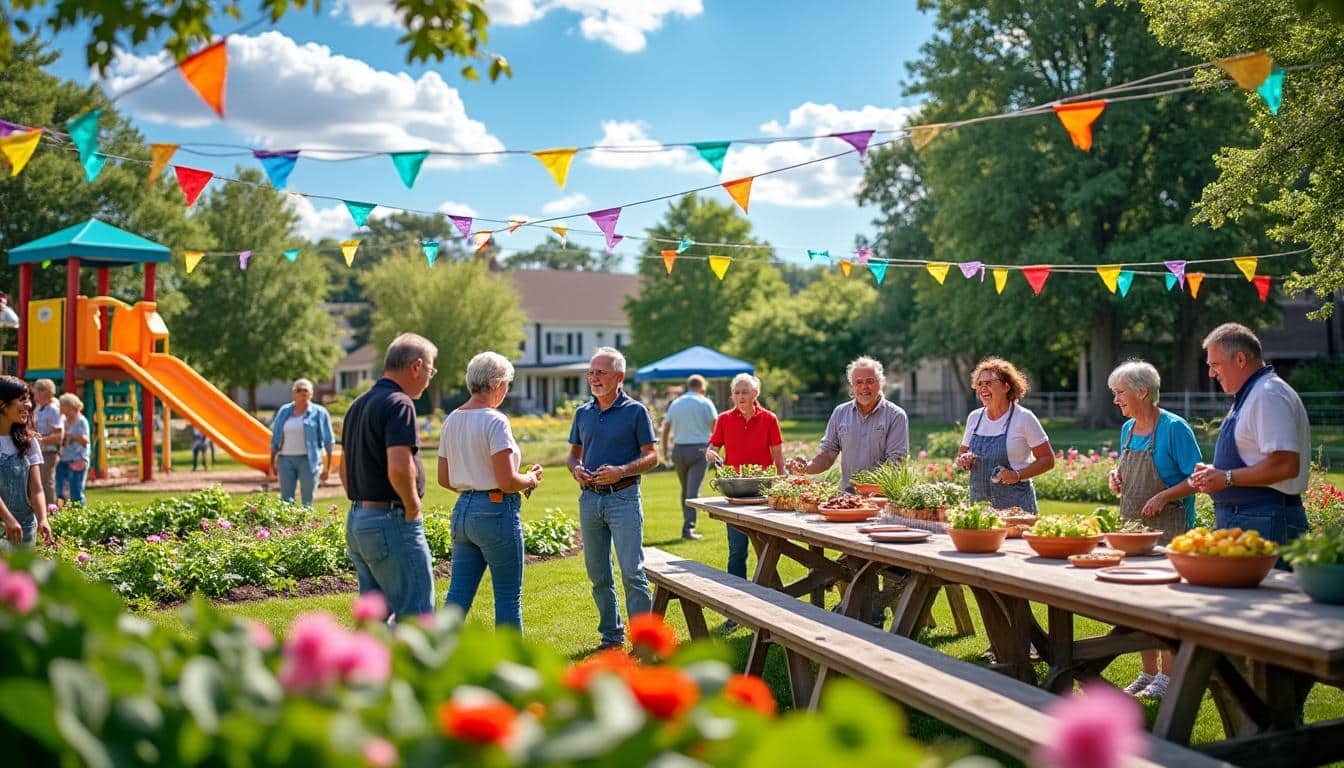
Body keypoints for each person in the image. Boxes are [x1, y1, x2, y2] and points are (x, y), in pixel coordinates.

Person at [1106, 360, 1202, 700]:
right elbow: (1123, 468)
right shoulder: (1128, 429)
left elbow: (1198, 477)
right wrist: (1114, 476)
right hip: (1132, 528)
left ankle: (1168, 677)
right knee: (1138, 604)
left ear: (1142, 392)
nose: (1116, 399)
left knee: (1165, 606)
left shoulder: (1175, 428)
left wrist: (1164, 495)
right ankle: (1148, 672)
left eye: (1120, 392)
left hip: (1170, 529)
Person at [437, 352, 542, 630]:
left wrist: (473, 483)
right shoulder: (496, 421)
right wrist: (530, 479)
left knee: (457, 597)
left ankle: (434, 652)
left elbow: (444, 479)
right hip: (496, 510)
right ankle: (508, 658)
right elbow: (507, 481)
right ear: (496, 384)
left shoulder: (451, 419)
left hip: (463, 510)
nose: (506, 390)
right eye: (507, 384)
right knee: (508, 598)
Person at [341, 333, 438, 621]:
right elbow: (399, 465)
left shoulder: (358, 404)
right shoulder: (399, 403)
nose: (429, 379)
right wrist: (412, 506)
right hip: (391, 519)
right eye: (431, 370)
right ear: (416, 366)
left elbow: (343, 468)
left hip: (359, 519)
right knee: (417, 618)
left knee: (374, 621)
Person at [567, 346, 658, 650]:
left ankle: (644, 644)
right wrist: (576, 469)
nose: (594, 378)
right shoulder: (583, 413)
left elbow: (652, 456)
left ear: (619, 377)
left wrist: (621, 471)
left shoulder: (636, 411)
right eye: (591, 373)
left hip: (623, 499)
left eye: (601, 373)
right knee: (598, 575)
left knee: (633, 573)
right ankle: (611, 636)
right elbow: (573, 456)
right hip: (590, 500)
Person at [1190, 323, 1311, 549]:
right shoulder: (1252, 393)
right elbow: (1253, 457)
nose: (1211, 373)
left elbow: (1285, 465)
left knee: (1271, 574)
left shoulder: (1268, 394)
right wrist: (1215, 473)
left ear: (1240, 359)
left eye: (1215, 365)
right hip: (1252, 519)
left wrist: (1226, 477)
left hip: (1266, 520)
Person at [787, 356, 909, 491]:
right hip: (847, 497)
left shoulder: (896, 415)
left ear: (880, 383)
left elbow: (895, 463)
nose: (864, 387)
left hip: (881, 497)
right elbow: (827, 455)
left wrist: (866, 489)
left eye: (870, 381)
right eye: (858, 382)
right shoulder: (840, 413)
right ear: (852, 387)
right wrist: (805, 468)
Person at [953, 358, 1054, 514]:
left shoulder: (1024, 417)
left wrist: (1017, 475)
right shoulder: (974, 418)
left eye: (989, 383)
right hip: (980, 510)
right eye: (979, 383)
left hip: (1017, 509)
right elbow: (962, 454)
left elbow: (1047, 460)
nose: (983, 387)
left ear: (1006, 386)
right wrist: (964, 461)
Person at [708, 372, 784, 579]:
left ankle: (769, 592)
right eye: (736, 392)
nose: (740, 396)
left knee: (767, 551)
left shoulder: (769, 419)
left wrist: (780, 486)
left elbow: (778, 456)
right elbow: (713, 447)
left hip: (763, 491)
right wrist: (711, 453)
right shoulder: (724, 419)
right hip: (735, 493)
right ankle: (735, 593)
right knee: (737, 551)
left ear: (755, 393)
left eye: (745, 392)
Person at [661, 374, 718, 540]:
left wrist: (665, 450)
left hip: (679, 451)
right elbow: (716, 427)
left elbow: (666, 428)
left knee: (686, 490)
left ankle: (688, 525)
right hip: (699, 451)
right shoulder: (705, 402)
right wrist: (717, 450)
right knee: (692, 491)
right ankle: (688, 529)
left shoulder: (676, 403)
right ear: (702, 387)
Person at [0, 376, 52, 549]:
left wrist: (42, 518)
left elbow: (36, 488)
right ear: (2, 403)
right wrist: (8, 519)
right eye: (22, 399)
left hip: (24, 528)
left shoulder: (28, 442)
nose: (29, 405)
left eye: (28, 399)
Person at [269, 378, 336, 507]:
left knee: (307, 500)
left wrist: (328, 467)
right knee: (286, 501)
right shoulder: (284, 411)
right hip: (285, 459)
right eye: (299, 390)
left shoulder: (320, 413)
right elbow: (275, 437)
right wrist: (272, 462)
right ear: (293, 393)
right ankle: (289, 521)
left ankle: (307, 521)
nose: (302, 393)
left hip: (309, 460)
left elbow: (329, 440)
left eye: (306, 390)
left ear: (311, 393)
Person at [55, 393, 91, 506]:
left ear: (69, 406)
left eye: (62, 406)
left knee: (76, 492)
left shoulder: (81, 421)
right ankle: (62, 511)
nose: (60, 408)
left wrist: (69, 435)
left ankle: (80, 512)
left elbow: (85, 441)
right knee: (60, 490)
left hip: (78, 460)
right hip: (64, 458)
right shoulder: (64, 421)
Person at [32, 378, 62, 510]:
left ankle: (52, 512)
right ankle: (41, 510)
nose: (33, 394)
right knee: (37, 484)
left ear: (44, 392)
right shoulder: (39, 408)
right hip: (39, 452)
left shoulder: (53, 410)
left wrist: (39, 440)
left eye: (35, 391)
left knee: (47, 483)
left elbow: (58, 436)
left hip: (49, 452)